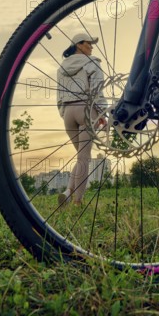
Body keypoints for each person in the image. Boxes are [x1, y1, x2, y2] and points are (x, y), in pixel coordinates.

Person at [57, 33, 106, 206]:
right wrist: (102, 113)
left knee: (81, 156)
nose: (92, 47)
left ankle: (68, 192)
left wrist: (64, 113)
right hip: (86, 109)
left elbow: (59, 95)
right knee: (84, 158)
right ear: (78, 45)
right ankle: (77, 201)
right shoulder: (92, 62)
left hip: (68, 113)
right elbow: (97, 89)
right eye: (89, 43)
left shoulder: (61, 67)